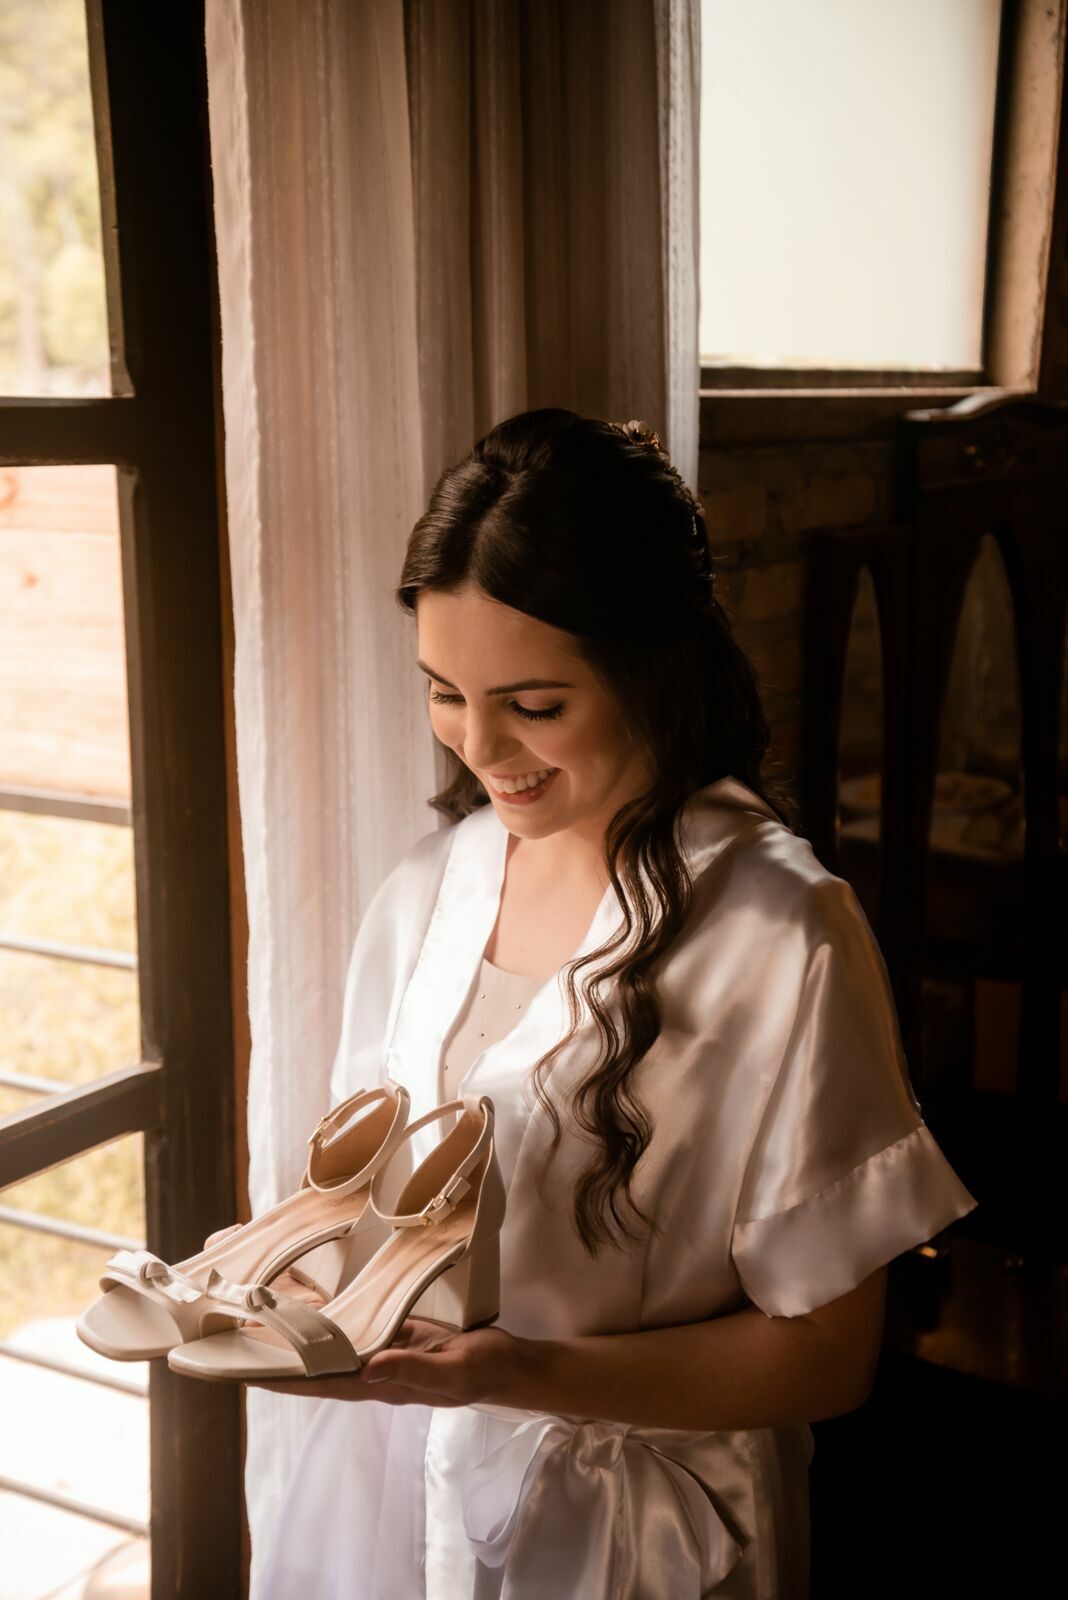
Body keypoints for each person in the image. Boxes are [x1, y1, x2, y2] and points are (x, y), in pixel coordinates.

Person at [231, 408, 977, 1598]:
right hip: (381, 1489)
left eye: (533, 705)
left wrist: (514, 1372)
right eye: (442, 693)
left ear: (650, 663)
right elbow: (375, 1202)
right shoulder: (434, 884)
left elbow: (830, 1359)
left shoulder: (783, 932)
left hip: (630, 1537)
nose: (482, 748)